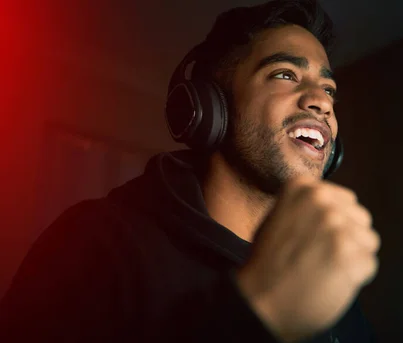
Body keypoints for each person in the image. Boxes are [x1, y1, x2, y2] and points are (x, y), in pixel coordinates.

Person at [0, 0, 381, 342]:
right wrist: (258, 312)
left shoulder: (328, 276)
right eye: (285, 74)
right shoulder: (94, 244)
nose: (320, 102)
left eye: (329, 90)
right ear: (211, 109)